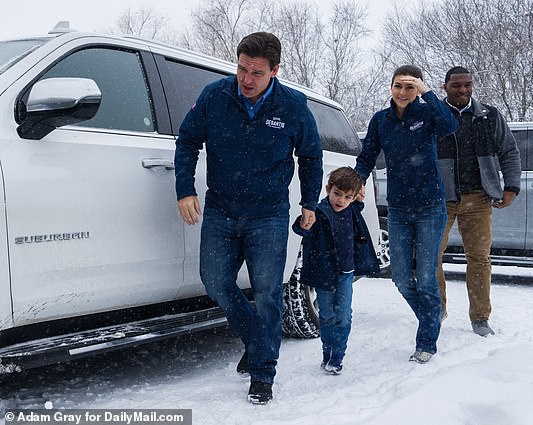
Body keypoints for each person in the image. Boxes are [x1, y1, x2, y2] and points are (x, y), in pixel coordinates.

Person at [173, 32, 323, 404]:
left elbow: (311, 155)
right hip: (221, 210)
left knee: (269, 294)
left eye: (257, 72)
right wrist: (184, 188)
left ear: (275, 71)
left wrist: (308, 202)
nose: (247, 79)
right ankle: (259, 341)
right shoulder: (214, 96)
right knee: (216, 282)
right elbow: (188, 140)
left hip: (268, 216)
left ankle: (263, 373)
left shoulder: (292, 106)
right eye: (241, 68)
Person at [355, 65, 458, 364]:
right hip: (399, 208)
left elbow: (450, 126)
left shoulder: (426, 115)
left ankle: (426, 340)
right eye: (398, 86)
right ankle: (432, 316)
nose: (403, 93)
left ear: (418, 90)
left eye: (410, 87)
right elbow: (367, 156)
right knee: (400, 278)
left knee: (426, 278)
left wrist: (428, 94)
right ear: (390, 87)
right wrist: (356, 181)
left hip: (430, 206)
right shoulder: (380, 121)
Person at [436, 66, 521, 337]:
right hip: (442, 199)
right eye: (456, 85)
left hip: (479, 198)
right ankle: (436, 311)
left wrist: (511, 187)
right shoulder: (434, 115)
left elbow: (509, 151)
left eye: (467, 85)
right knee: (430, 257)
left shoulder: (488, 116)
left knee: (479, 259)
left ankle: (480, 318)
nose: (463, 90)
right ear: (445, 86)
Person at [292, 167, 379, 375]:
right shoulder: (319, 212)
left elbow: (359, 200)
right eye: (337, 194)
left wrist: (359, 190)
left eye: (347, 197)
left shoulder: (353, 210)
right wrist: (303, 224)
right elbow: (300, 228)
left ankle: (338, 356)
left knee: (344, 315)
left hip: (346, 273)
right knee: (327, 315)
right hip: (323, 273)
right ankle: (327, 352)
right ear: (328, 189)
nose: (341, 200)